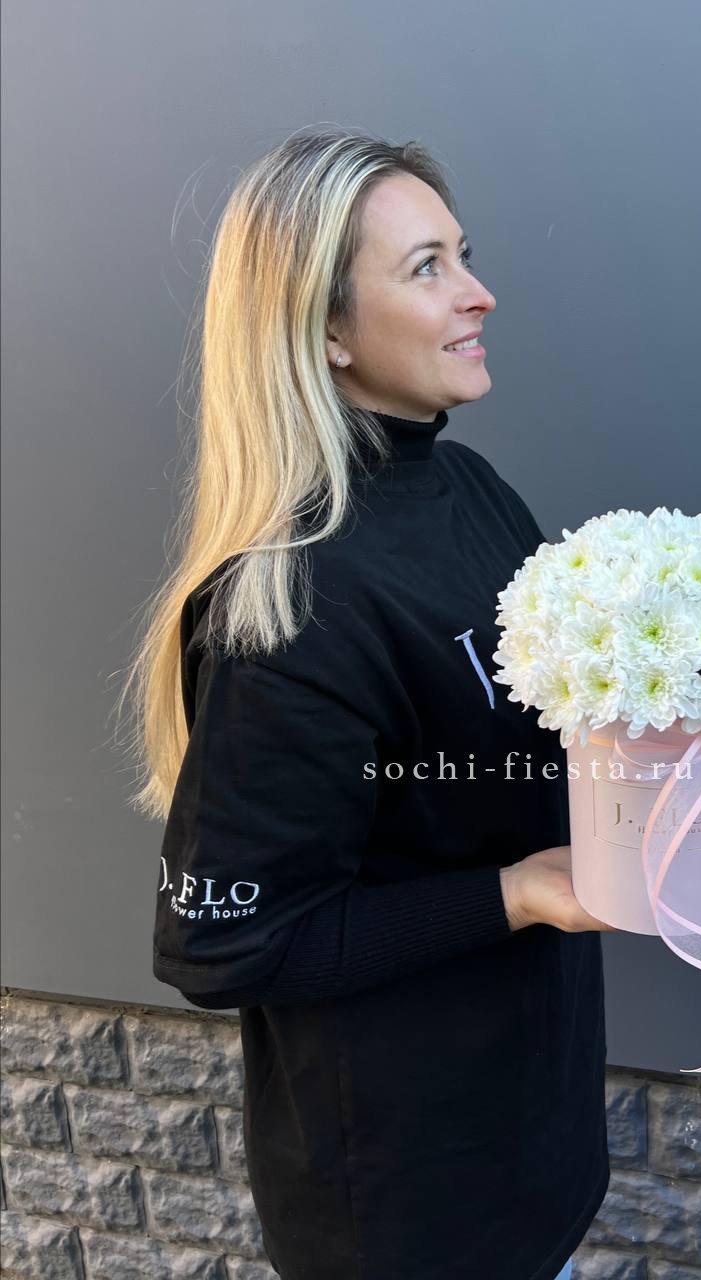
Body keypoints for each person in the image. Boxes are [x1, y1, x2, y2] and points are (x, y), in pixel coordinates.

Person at [119, 126, 615, 1279]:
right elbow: (223, 944)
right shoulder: (296, 597)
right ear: (326, 328)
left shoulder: (471, 490)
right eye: (426, 267)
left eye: (463, 254)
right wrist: (515, 892)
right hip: (404, 1206)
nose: (479, 293)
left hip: (532, 1134)